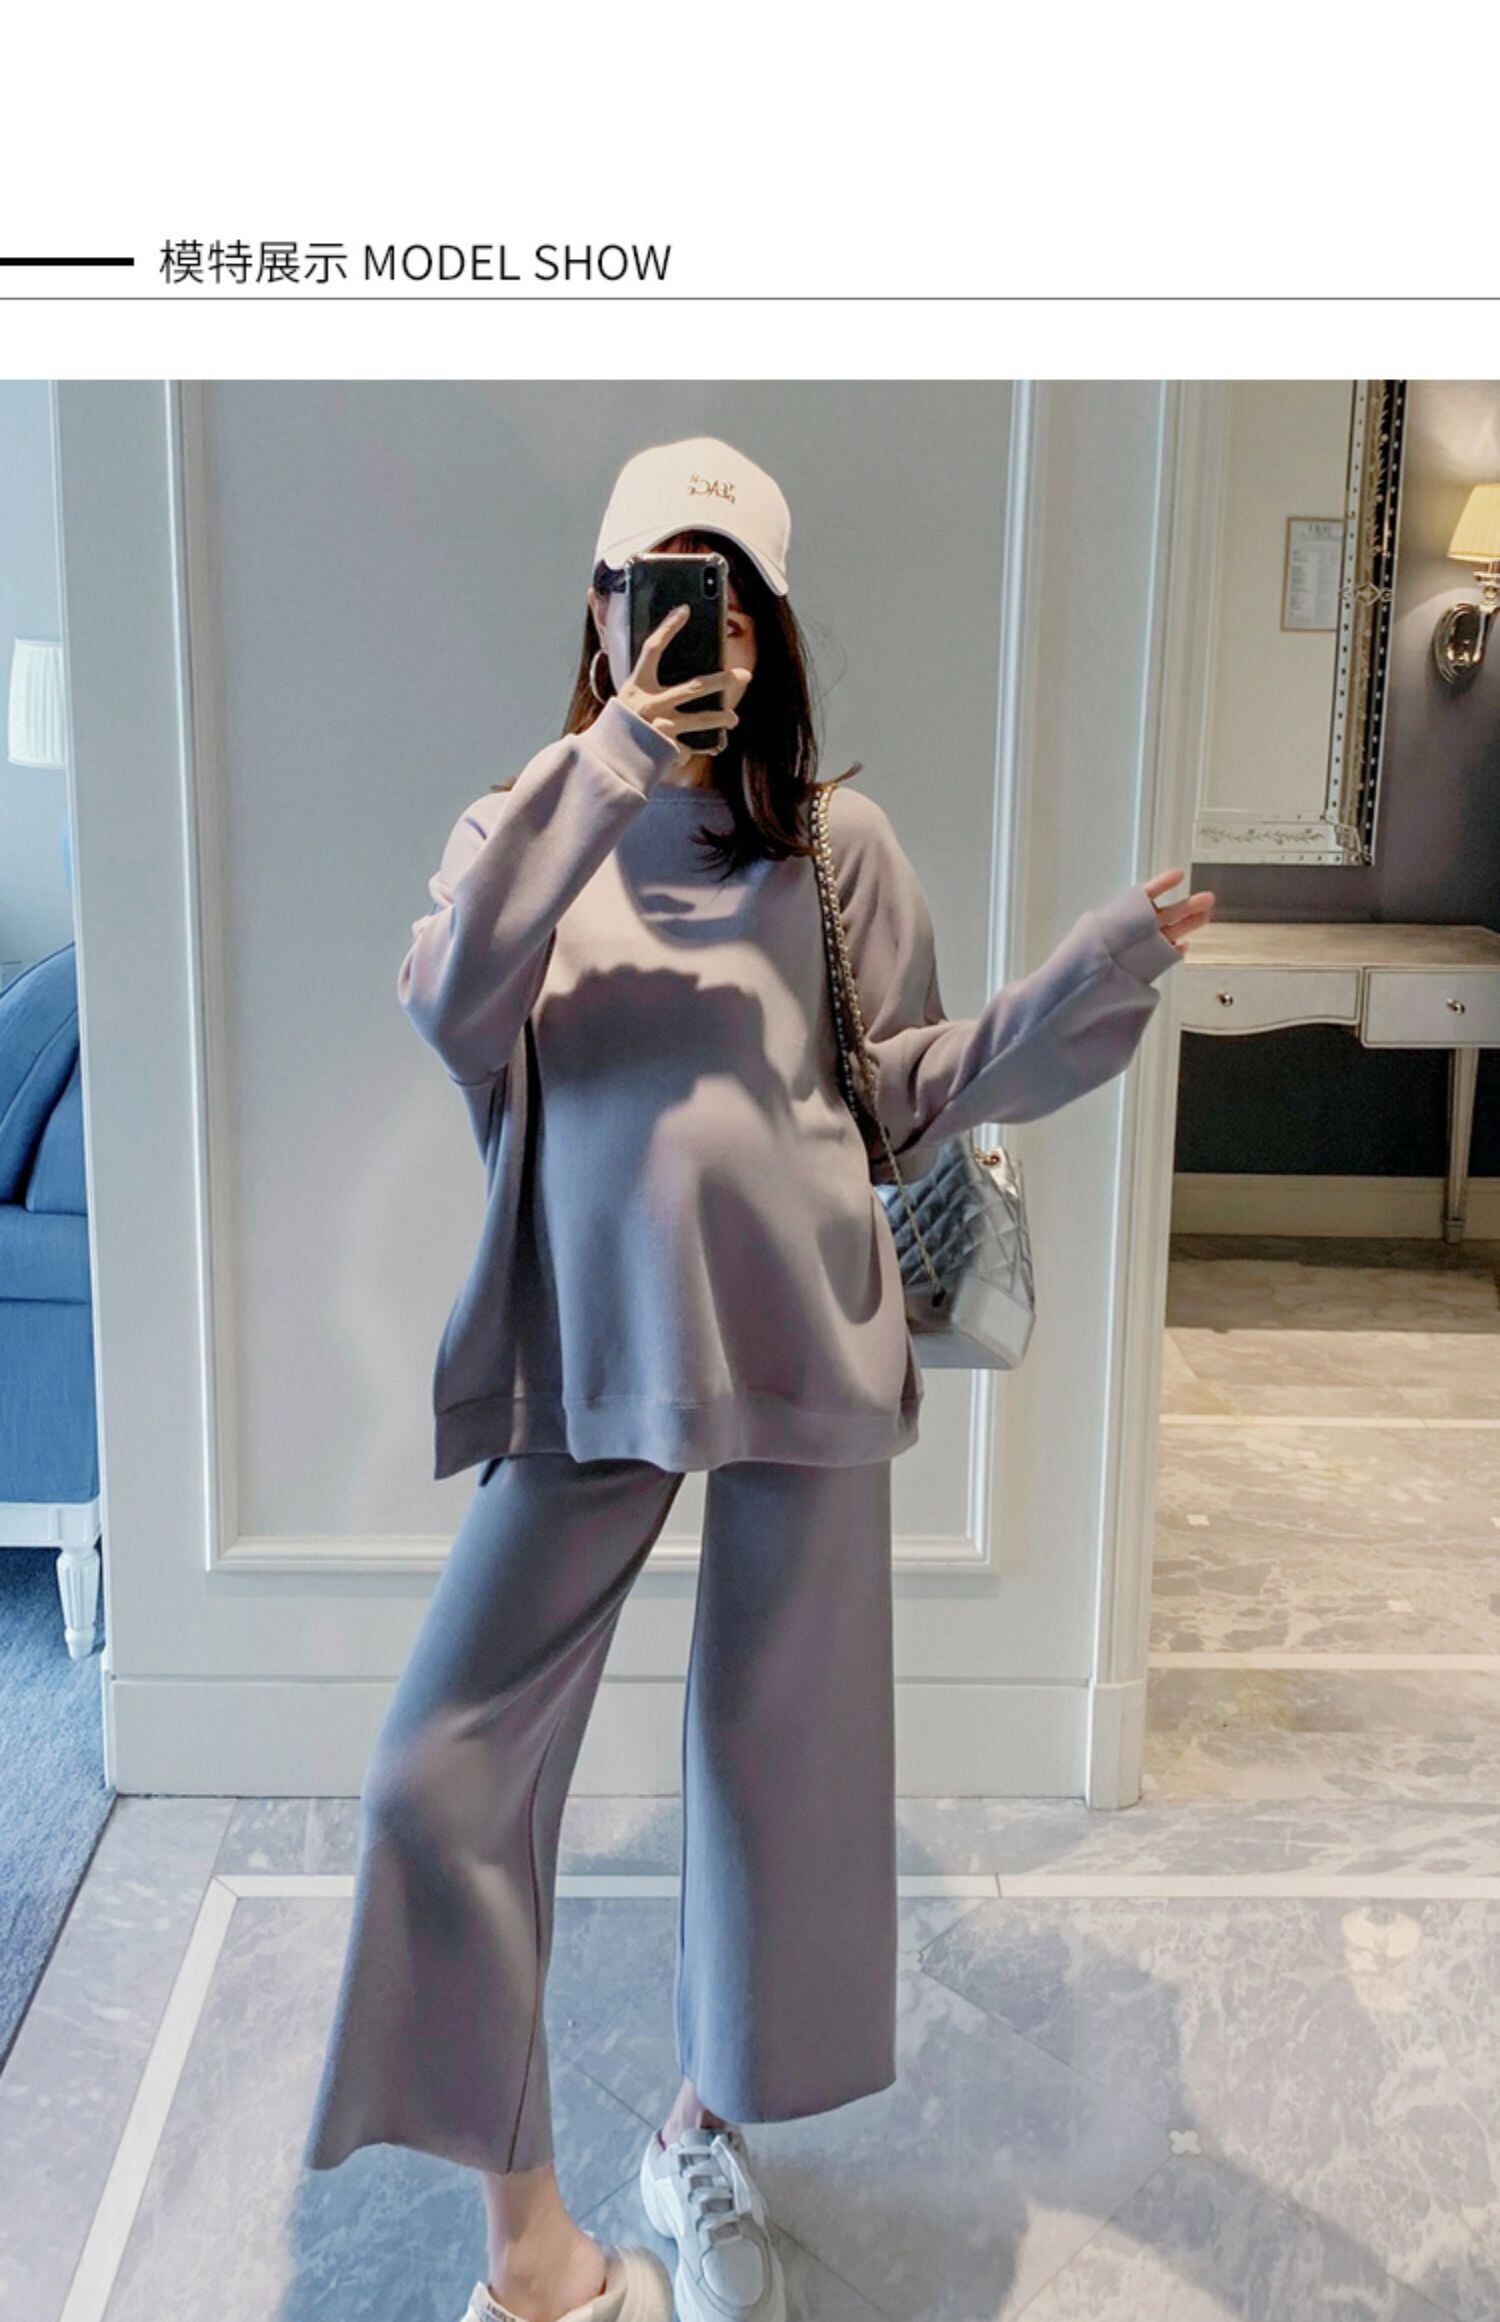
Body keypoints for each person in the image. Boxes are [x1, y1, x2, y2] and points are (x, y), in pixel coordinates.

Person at [300, 435, 1215, 2322]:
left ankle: (697, 2134)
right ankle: (533, 2250)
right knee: (433, 1781)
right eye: (654, 583)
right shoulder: (523, 829)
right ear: (601, 607)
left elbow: (901, 1095)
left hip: (803, 1341)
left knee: (781, 1778)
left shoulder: (833, 844)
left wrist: (1087, 976)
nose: (687, 621)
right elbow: (450, 1008)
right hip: (593, 1356)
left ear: (769, 624)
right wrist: (613, 764)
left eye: (722, 591)